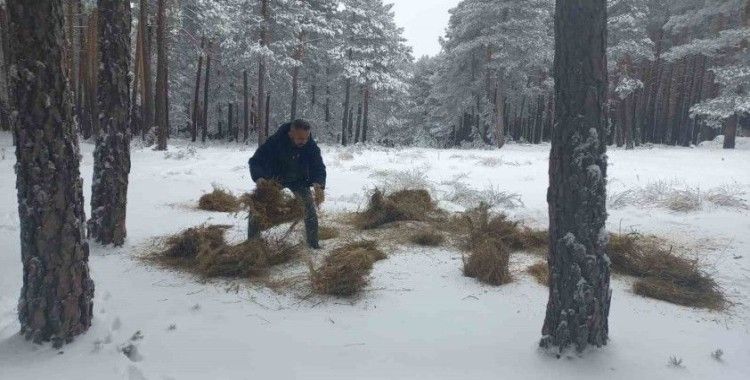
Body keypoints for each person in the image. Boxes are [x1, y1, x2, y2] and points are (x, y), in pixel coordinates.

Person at [248, 119, 326, 248]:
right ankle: (253, 244)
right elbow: (255, 161)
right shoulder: (274, 142)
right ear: (291, 134)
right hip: (275, 179)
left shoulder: (310, 146)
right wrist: (260, 178)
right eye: (300, 138)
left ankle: (313, 244)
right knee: (256, 208)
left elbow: (318, 167)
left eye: (306, 138)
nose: (304, 141)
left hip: (299, 181)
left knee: (309, 210)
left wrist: (319, 183)